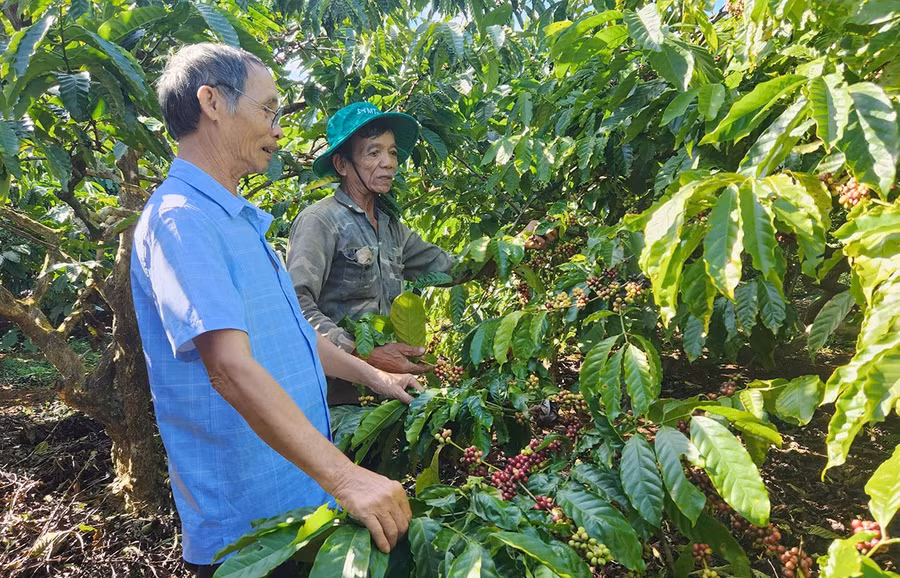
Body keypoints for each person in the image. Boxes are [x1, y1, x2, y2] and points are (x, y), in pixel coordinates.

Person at [130, 44, 420, 576]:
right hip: (251, 527)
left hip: (299, 499)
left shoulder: (239, 221)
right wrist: (348, 477)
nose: (279, 129)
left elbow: (291, 337)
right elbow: (229, 368)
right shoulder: (182, 220)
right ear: (212, 103)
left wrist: (374, 377)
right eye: (269, 110)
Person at [287, 103, 455, 405]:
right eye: (373, 152)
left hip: (387, 394)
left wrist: (516, 245)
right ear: (341, 164)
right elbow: (296, 307)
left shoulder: (391, 228)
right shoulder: (320, 221)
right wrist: (365, 354)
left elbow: (447, 267)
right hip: (335, 398)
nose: (389, 162)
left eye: (392, 152)